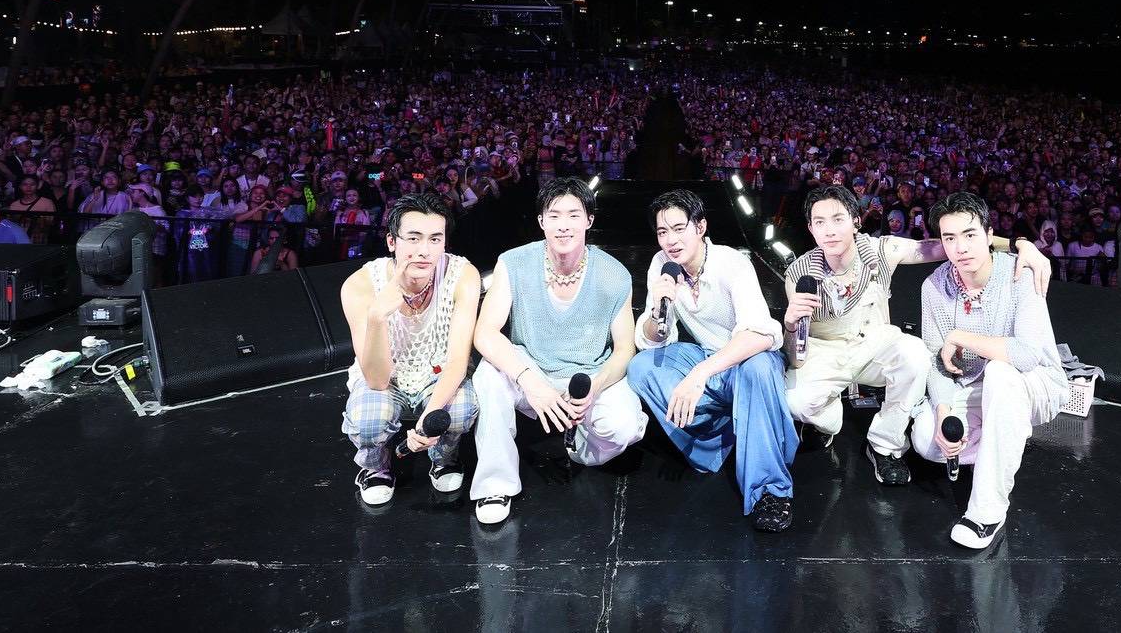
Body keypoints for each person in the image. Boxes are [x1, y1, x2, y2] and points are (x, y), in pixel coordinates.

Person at [781, 184, 1051, 487]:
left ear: (856, 221)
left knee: (916, 354)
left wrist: (1019, 244)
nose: (829, 230)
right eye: (820, 222)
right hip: (826, 352)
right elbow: (796, 356)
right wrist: (790, 325)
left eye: (838, 219)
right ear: (810, 229)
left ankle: (885, 446)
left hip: (873, 346)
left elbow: (947, 244)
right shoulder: (799, 274)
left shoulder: (881, 250)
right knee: (796, 402)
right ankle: (827, 421)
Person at [469, 177, 647, 525]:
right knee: (489, 376)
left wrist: (596, 386)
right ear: (541, 222)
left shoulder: (614, 274)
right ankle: (495, 485)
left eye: (573, 215)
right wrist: (530, 382)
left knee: (624, 427)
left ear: (589, 220)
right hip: (530, 370)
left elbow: (625, 348)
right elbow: (485, 332)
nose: (563, 225)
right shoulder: (514, 263)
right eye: (554, 215)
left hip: (586, 375)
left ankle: (578, 445)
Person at [626, 189, 798, 532]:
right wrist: (657, 309)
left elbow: (763, 335)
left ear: (701, 227)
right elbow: (650, 339)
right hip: (708, 357)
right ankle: (723, 439)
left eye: (679, 229)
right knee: (641, 367)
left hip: (746, 359)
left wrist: (699, 374)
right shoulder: (662, 265)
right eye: (663, 232)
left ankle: (770, 490)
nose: (671, 240)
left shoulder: (732, 264)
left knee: (759, 368)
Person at [907, 192, 1069, 549]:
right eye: (950, 238)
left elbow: (1026, 355)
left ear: (989, 235)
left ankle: (986, 512)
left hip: (1035, 382)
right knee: (927, 441)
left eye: (970, 235)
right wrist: (943, 411)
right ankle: (1004, 438)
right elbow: (937, 361)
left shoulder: (1020, 274)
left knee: (1000, 373)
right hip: (972, 387)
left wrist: (959, 336)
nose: (961, 247)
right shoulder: (933, 286)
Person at [339, 194, 483, 506]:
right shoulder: (359, 285)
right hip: (386, 379)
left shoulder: (462, 275)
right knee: (368, 419)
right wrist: (377, 317)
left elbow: (458, 361)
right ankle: (375, 466)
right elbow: (376, 379)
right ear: (392, 242)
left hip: (437, 372)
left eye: (435, 239)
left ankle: (443, 457)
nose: (424, 251)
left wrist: (430, 417)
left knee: (459, 410)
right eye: (414, 238)